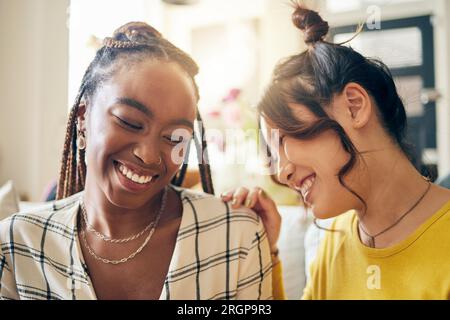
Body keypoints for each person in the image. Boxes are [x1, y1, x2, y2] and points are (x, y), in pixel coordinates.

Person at [0, 22, 272, 300]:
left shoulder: (236, 236)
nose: (149, 155)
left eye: (175, 138)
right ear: (83, 118)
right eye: (129, 122)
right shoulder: (17, 242)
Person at [222, 4, 450, 299]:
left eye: (285, 138)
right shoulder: (336, 236)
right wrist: (268, 253)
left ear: (354, 106)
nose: (282, 171)